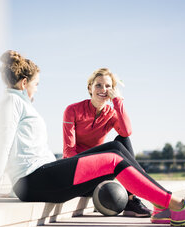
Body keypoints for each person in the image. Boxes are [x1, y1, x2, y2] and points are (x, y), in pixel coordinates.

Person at [0, 50, 185, 227]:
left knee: (117, 146)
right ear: (23, 82)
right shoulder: (11, 104)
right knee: (111, 158)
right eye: (36, 84)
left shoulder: (21, 105)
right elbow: (1, 146)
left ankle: (164, 207)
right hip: (34, 180)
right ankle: (175, 206)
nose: (37, 90)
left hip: (42, 174)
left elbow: (28, 151)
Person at [62, 68, 151, 218]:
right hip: (75, 171)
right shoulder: (73, 110)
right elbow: (68, 151)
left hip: (98, 172)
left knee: (122, 140)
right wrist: (88, 169)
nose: (103, 89)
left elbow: (126, 132)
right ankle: (140, 180)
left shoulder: (111, 113)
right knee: (115, 148)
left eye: (108, 86)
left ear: (113, 90)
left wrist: (118, 101)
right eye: (98, 85)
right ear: (90, 88)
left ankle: (131, 200)